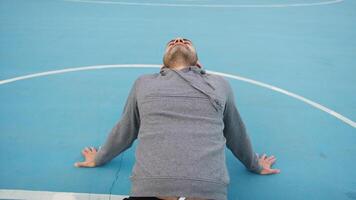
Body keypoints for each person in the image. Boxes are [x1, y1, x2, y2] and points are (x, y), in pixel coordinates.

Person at [74, 37, 280, 200]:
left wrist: (255, 164)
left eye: (185, 42)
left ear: (198, 62)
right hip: (154, 187)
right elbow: (126, 128)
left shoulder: (218, 84)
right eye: (172, 42)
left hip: (205, 189)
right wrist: (99, 157)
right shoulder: (144, 83)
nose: (179, 41)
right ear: (163, 64)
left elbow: (236, 131)